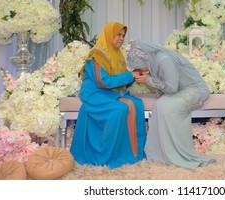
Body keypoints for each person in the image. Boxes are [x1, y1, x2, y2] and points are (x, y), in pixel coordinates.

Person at [126, 39, 215, 169]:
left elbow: (171, 88)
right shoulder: (155, 61)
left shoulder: (163, 59)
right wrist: (148, 78)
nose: (139, 70)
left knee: (169, 109)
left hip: (195, 90)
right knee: (159, 105)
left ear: (145, 59)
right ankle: (160, 153)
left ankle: (180, 154)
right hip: (179, 91)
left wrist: (148, 80)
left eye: (139, 66)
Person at [70, 22, 146, 169]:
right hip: (95, 93)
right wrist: (130, 76)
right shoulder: (97, 55)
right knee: (119, 110)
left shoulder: (117, 55)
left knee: (136, 104)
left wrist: (136, 74)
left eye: (123, 36)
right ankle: (109, 154)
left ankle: (132, 152)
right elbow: (103, 82)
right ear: (109, 34)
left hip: (111, 92)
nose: (121, 38)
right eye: (118, 34)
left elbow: (121, 79)